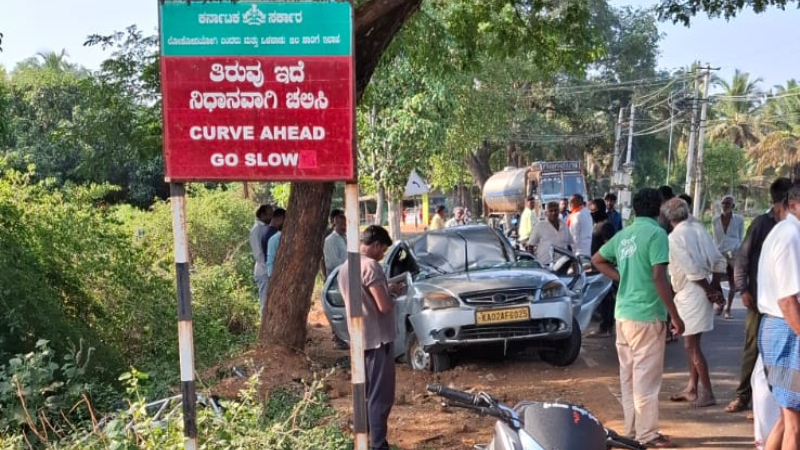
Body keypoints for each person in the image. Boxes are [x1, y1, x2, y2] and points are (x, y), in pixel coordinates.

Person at [591, 188, 684, 448]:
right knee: (646, 378)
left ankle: (633, 429)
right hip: (647, 314)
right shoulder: (656, 234)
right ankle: (647, 435)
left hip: (624, 314)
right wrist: (674, 316)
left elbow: (597, 259)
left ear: (634, 209)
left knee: (629, 376)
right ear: (659, 209)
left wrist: (622, 277)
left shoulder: (624, 235)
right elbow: (658, 278)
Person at [727, 178, 792, 417]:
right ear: (785, 203)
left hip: (783, 302)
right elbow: (742, 258)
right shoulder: (762, 224)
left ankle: (774, 403)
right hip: (760, 299)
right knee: (753, 348)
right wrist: (743, 289)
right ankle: (743, 395)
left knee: (779, 356)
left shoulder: (790, 228)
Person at [337, 225, 398, 450]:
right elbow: (383, 306)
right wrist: (392, 294)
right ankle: (378, 445)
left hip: (358, 340)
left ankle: (363, 441)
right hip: (377, 339)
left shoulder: (346, 267)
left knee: (364, 396)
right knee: (379, 398)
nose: (382, 255)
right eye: (382, 250)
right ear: (375, 245)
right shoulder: (371, 266)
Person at [662, 198, 727, 408]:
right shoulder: (698, 228)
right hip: (699, 289)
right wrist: (714, 288)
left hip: (691, 291)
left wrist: (711, 291)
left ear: (668, 216)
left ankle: (707, 392)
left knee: (691, 346)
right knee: (692, 344)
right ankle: (692, 388)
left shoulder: (674, 237)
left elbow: (692, 270)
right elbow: (719, 260)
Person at [756, 181, 800, 450]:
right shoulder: (790, 235)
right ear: (794, 205)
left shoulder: (786, 232)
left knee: (787, 418)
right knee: (794, 421)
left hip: (781, 329)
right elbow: (787, 300)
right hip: (786, 330)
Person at [586, 198, 617, 338]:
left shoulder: (606, 226)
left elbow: (609, 247)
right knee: (602, 297)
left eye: (594, 211)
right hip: (597, 266)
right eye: (591, 211)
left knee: (606, 297)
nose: (592, 213)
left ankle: (607, 327)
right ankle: (604, 325)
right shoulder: (598, 225)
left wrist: (607, 265)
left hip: (604, 266)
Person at [712, 195, 745, 319]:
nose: (725, 205)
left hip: (733, 253)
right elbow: (715, 238)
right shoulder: (715, 220)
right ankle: (721, 302)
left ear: (733, 206)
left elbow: (740, 237)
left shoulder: (739, 220)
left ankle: (728, 309)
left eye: (727, 203)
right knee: (715, 280)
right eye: (723, 203)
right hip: (719, 253)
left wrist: (738, 252)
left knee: (733, 282)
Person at [527, 201, 572, 266]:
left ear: (559, 211)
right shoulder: (540, 226)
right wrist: (533, 262)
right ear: (546, 213)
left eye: (556, 210)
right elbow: (530, 245)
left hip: (563, 264)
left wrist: (572, 258)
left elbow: (569, 244)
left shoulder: (564, 226)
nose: (553, 213)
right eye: (551, 211)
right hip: (545, 264)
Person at [249, 204, 273, 307]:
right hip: (263, 272)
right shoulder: (256, 230)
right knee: (265, 302)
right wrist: (269, 269)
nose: (272, 216)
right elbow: (258, 254)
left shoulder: (266, 227)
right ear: (262, 215)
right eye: (270, 214)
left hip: (269, 270)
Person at [263, 209, 286, 313]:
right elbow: (270, 261)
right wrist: (273, 279)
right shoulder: (274, 239)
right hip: (276, 277)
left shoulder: (289, 238)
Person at [323, 210, 347, 278]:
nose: (344, 227)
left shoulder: (345, 238)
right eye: (341, 224)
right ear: (334, 225)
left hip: (346, 276)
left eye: (345, 224)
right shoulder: (330, 240)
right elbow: (332, 264)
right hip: (336, 278)